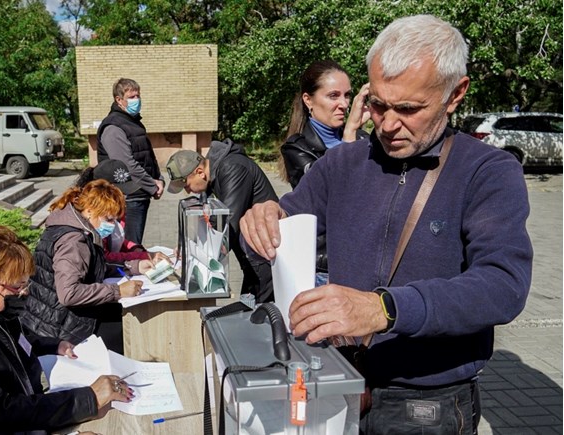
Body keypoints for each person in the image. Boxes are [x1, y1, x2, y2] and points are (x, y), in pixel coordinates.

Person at [240, 15, 532, 434]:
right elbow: (285, 226)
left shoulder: (488, 171)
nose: (388, 123)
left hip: (428, 404)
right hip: (337, 382)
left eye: (409, 109)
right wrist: (263, 219)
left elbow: (503, 287)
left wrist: (384, 309)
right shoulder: (341, 163)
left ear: (456, 94)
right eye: (377, 103)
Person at [0, 226, 133, 434]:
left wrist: (52, 344)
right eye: (16, 287)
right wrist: (89, 399)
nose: (23, 294)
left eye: (25, 285)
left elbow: (12, 339)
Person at [22, 180, 148, 354]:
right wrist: (118, 291)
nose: (112, 225)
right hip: (58, 327)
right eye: (108, 219)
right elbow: (69, 294)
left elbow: (95, 266)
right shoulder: (73, 241)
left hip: (55, 318)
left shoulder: (79, 229)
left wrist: (135, 266)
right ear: (89, 211)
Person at [166, 139, 279, 303]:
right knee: (248, 312)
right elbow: (210, 220)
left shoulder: (233, 168)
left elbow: (228, 225)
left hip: (265, 256)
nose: (187, 191)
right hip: (252, 255)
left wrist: (200, 257)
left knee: (257, 317)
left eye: (186, 186)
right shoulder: (212, 177)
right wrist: (188, 247)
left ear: (200, 172)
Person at [280, 59, 370, 189]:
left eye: (347, 95)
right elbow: (334, 190)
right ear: (308, 100)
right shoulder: (297, 149)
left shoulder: (363, 138)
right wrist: (350, 131)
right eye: (333, 95)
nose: (344, 104)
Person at [96, 78, 165, 245]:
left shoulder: (133, 123)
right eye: (132, 96)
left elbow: (148, 156)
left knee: (135, 243)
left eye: (138, 96)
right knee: (128, 247)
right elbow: (126, 165)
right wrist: (152, 185)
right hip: (127, 196)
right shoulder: (113, 127)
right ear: (119, 100)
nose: (137, 100)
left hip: (140, 194)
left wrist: (160, 179)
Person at [75, 159, 172, 266]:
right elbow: (105, 256)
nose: (123, 198)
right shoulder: (84, 222)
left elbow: (117, 239)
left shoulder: (110, 211)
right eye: (119, 192)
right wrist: (141, 257)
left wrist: (136, 250)